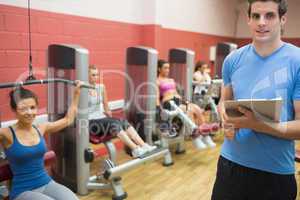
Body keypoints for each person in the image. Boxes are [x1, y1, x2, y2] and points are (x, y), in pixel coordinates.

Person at [212, 0, 300, 199]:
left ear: (283, 19)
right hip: (230, 167)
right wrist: (224, 117)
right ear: (248, 20)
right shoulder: (232, 60)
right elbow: (224, 103)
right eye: (256, 16)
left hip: (275, 174)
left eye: (269, 16)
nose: (262, 22)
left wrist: (258, 124)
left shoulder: (297, 61)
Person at [0, 81, 83, 200]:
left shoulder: (41, 128)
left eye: (32, 107)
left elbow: (68, 120)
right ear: (14, 111)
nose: (29, 112)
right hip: (22, 190)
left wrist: (76, 93)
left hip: (46, 182)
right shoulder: (6, 133)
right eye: (23, 109)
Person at [88, 65, 156, 158]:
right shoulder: (82, 89)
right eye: (93, 75)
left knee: (123, 122)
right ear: (86, 76)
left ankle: (144, 145)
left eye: (97, 75)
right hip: (90, 122)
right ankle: (135, 149)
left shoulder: (101, 87)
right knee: (113, 124)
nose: (96, 77)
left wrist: (110, 116)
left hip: (101, 118)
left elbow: (106, 106)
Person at [156, 59, 217, 149]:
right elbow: (157, 98)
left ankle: (205, 135)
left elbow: (176, 93)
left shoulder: (171, 80)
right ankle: (195, 137)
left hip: (179, 101)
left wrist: (186, 101)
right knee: (189, 110)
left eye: (168, 68)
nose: (167, 70)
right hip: (169, 103)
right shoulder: (157, 81)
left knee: (196, 108)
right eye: (165, 68)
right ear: (159, 69)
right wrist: (159, 110)